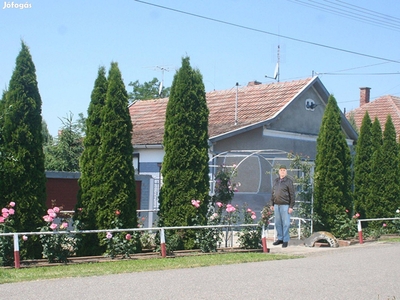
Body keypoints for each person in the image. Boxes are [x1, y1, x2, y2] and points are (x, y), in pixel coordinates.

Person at [268, 165, 295, 248]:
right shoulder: (276, 181)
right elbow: (273, 193)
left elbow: (292, 194)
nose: (282, 172)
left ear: (286, 172)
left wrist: (291, 206)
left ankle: (285, 240)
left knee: (286, 223)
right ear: (279, 172)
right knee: (278, 223)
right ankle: (280, 238)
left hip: (285, 205)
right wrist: (271, 204)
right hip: (276, 205)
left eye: (284, 170)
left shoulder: (289, 182)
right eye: (281, 170)